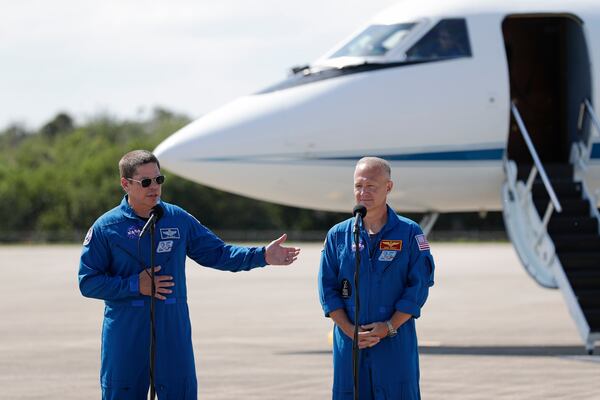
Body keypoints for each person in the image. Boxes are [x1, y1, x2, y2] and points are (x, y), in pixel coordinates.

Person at [78, 149, 300, 399]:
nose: (155, 188)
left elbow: (218, 253)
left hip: (172, 329)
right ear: (125, 184)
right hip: (125, 334)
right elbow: (88, 282)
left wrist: (261, 256)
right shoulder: (106, 227)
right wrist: (134, 285)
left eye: (159, 180)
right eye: (146, 182)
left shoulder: (177, 219)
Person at [318, 157, 435, 399]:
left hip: (394, 341)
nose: (363, 193)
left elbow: (418, 285)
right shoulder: (338, 235)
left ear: (388, 187)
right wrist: (349, 330)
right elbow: (327, 290)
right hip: (350, 344)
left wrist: (389, 326)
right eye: (359, 186)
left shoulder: (410, 232)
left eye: (371, 186)